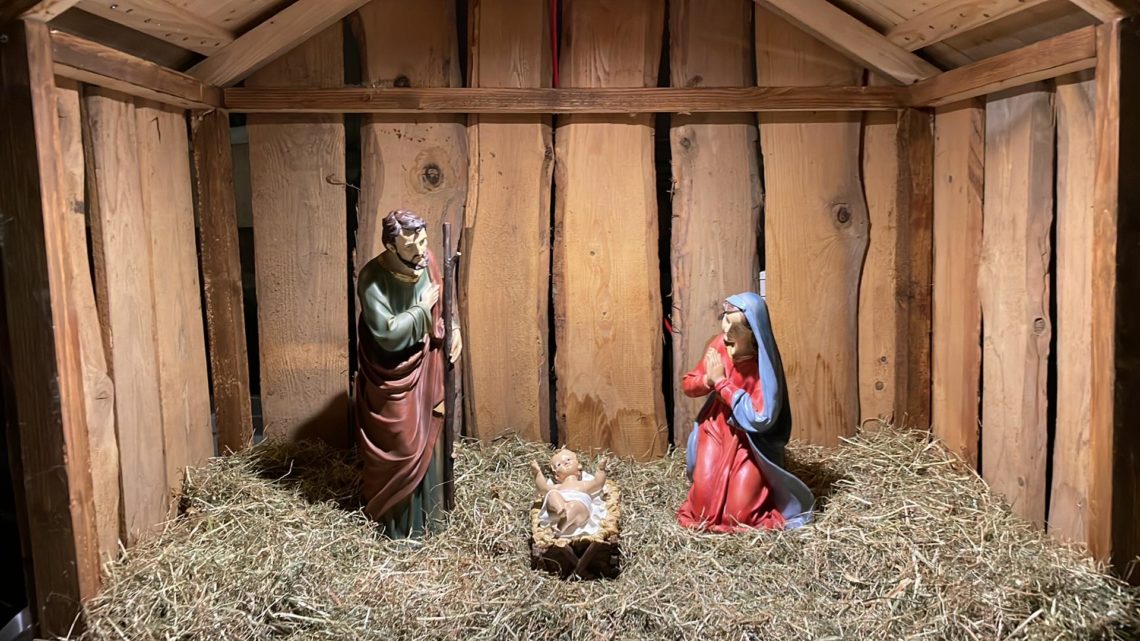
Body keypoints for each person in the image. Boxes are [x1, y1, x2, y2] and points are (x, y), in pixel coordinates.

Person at [355, 209, 461, 538]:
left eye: (423, 242)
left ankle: (431, 520)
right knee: (402, 443)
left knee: (431, 430)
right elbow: (386, 333)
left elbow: (443, 307)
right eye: (411, 245)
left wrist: (454, 328)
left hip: (427, 365)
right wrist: (420, 308)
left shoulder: (428, 261)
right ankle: (397, 525)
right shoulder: (372, 277)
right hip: (390, 373)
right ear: (391, 247)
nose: (420, 251)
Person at [676, 292, 814, 533]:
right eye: (725, 322)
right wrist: (708, 379)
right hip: (717, 429)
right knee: (702, 506)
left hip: (750, 442)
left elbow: (760, 418)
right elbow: (689, 384)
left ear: (753, 331)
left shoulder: (763, 364)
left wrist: (722, 384)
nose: (727, 333)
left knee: (740, 514)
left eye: (736, 329)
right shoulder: (718, 345)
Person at [530, 449, 608, 537]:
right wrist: (537, 473)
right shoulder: (558, 487)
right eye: (559, 464)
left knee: (573, 506)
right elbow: (543, 489)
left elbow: (598, 483)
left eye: (568, 460)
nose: (566, 463)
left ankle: (560, 527)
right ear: (557, 476)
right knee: (552, 494)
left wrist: (601, 469)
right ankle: (560, 509)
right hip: (561, 504)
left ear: (579, 465)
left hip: (579, 506)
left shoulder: (583, 484)